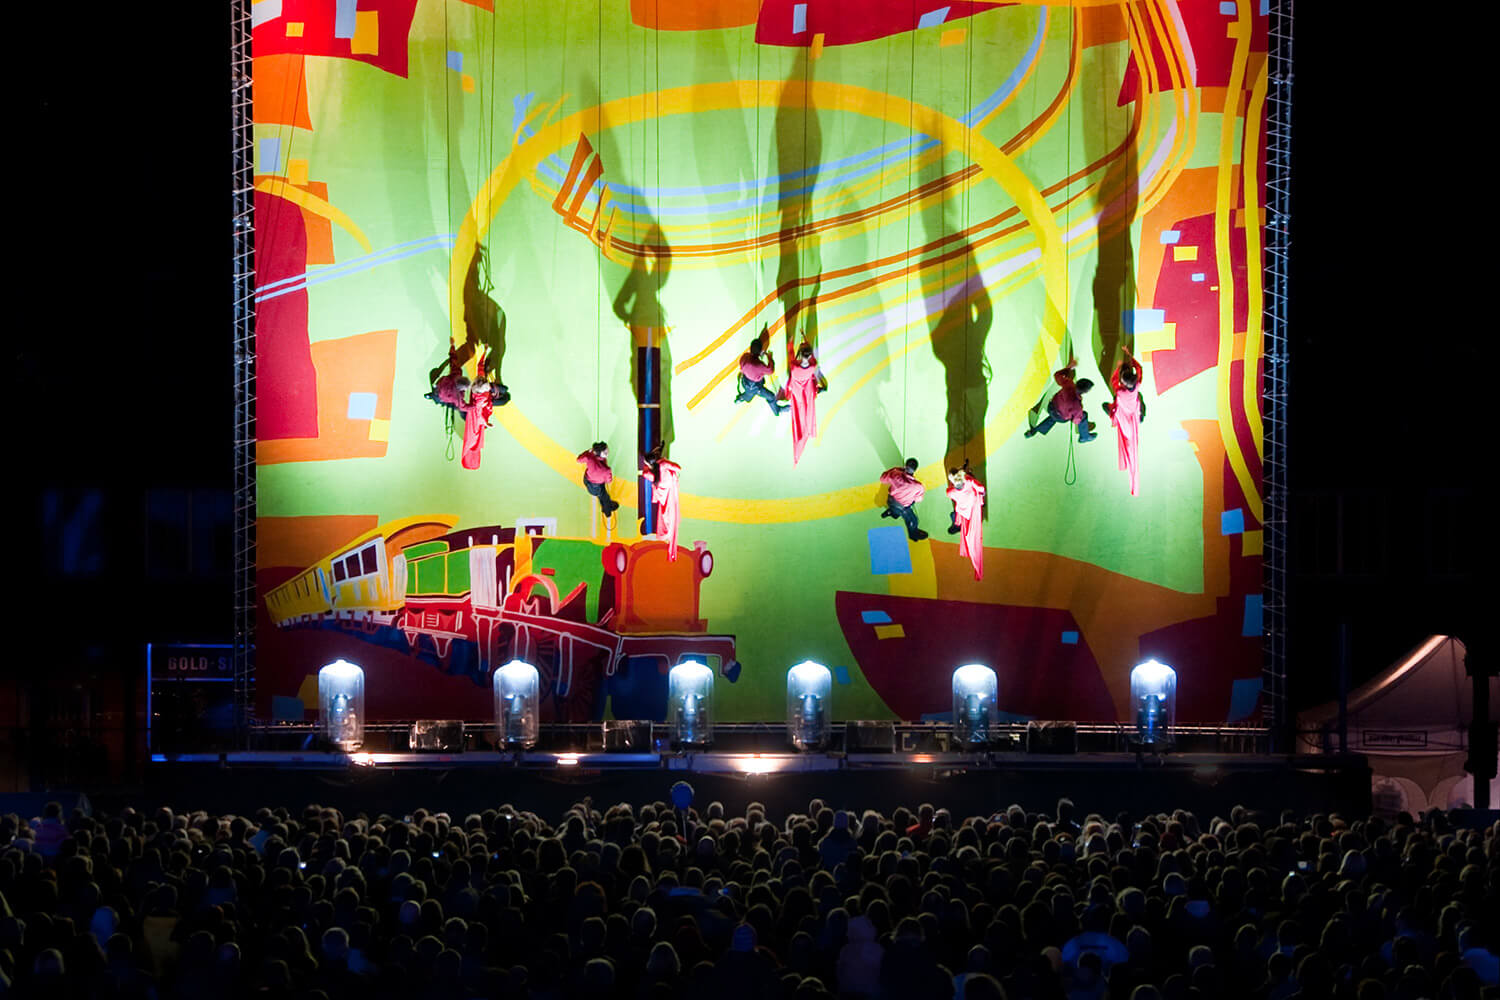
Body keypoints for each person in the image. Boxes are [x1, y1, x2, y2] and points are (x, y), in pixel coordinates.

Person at [1101, 350, 1146, 496]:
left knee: (1108, 408)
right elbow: (1140, 370)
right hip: (1133, 414)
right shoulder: (1137, 386)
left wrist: (1118, 367)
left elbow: (1114, 380)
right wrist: (1130, 357)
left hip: (1125, 415)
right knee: (1130, 441)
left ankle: (1112, 413)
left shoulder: (1120, 392)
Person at [1024, 359, 1096, 442]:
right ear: (1085, 392)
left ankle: (1034, 431)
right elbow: (1076, 421)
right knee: (1083, 416)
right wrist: (1078, 417)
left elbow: (1057, 375)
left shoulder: (1069, 384)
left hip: (1051, 407)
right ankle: (1084, 436)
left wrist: (1068, 368)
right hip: (1060, 417)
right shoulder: (1076, 406)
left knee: (1054, 416)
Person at [784, 343, 827, 465]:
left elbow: (791, 355)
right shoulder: (812, 366)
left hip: (797, 388)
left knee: (798, 404)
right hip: (807, 387)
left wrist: (790, 344)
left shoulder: (794, 367)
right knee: (810, 396)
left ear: (801, 355)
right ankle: (819, 390)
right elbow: (813, 359)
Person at [641, 444, 683, 561]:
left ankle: (667, 534)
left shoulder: (651, 475)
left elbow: (645, 473)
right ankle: (668, 534)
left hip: (664, 497)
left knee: (666, 516)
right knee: (670, 515)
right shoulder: (663, 464)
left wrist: (648, 466)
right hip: (671, 492)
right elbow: (678, 468)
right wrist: (665, 462)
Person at [946, 463, 986, 581]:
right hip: (972, 509)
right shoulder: (969, 481)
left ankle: (956, 525)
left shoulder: (950, 492)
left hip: (963, 511)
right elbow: (981, 489)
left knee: (954, 515)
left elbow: (951, 493)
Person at [735, 331, 788, 416]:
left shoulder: (745, 356)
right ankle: (777, 411)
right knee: (771, 396)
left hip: (745, 381)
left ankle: (740, 398)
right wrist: (770, 358)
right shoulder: (760, 365)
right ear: (760, 351)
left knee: (748, 395)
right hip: (755, 387)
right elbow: (770, 370)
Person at [879, 459, 928, 541]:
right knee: (913, 520)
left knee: (895, 509)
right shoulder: (918, 486)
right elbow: (918, 499)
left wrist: (895, 469)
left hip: (891, 500)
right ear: (915, 470)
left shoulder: (895, 474)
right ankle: (913, 534)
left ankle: (891, 512)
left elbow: (882, 479)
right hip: (902, 507)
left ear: (905, 466)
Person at [459, 377, 498, 470]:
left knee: (474, 438)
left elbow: (479, 415)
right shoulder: (480, 398)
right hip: (473, 418)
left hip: (474, 420)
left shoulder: (479, 399)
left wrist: (485, 423)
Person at [577, 442, 619, 517]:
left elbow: (579, 460)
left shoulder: (590, 457)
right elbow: (609, 481)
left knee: (601, 495)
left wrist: (588, 452)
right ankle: (607, 512)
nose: (607, 453)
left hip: (587, 480)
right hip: (596, 487)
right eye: (605, 452)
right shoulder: (606, 470)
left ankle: (604, 506)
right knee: (605, 497)